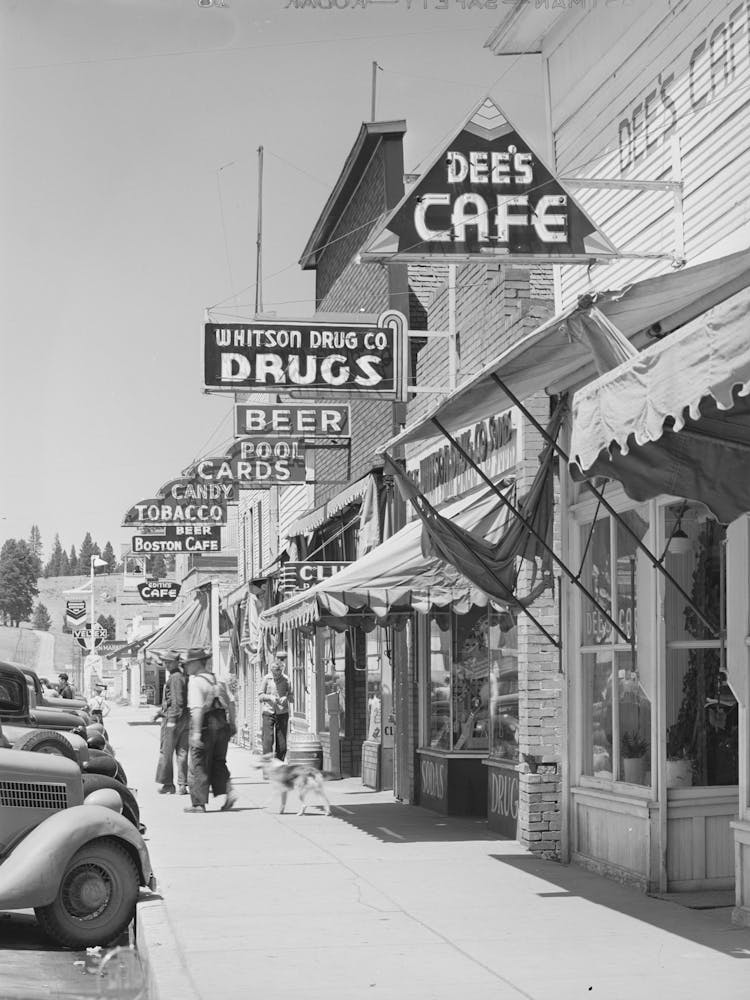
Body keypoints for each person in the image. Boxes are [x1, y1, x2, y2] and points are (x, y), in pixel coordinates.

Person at [183, 647, 237, 813]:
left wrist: (197, 733)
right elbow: (232, 702)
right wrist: (233, 724)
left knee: (198, 764)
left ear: (197, 663)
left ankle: (198, 803)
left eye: (188, 664)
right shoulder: (217, 679)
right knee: (219, 761)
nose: (186, 667)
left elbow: (197, 709)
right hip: (222, 723)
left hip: (205, 725)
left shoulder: (196, 681)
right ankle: (229, 792)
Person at [155, 653, 189, 795]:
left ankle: (168, 784)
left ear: (176, 662)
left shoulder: (175, 678)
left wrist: (172, 719)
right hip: (184, 718)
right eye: (165, 662)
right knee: (182, 752)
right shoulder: (182, 677)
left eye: (169, 662)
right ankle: (182, 784)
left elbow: (177, 701)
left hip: (172, 719)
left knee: (166, 752)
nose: (166, 665)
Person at [259, 651, 293, 761]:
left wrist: (286, 698)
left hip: (282, 713)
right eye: (274, 674)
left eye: (278, 674)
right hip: (268, 712)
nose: (276, 676)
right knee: (267, 742)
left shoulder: (287, 680)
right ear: (271, 671)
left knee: (282, 745)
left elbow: (291, 695)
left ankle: (279, 766)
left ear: (281, 671)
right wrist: (269, 697)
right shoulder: (266, 679)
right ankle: (267, 768)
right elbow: (260, 696)